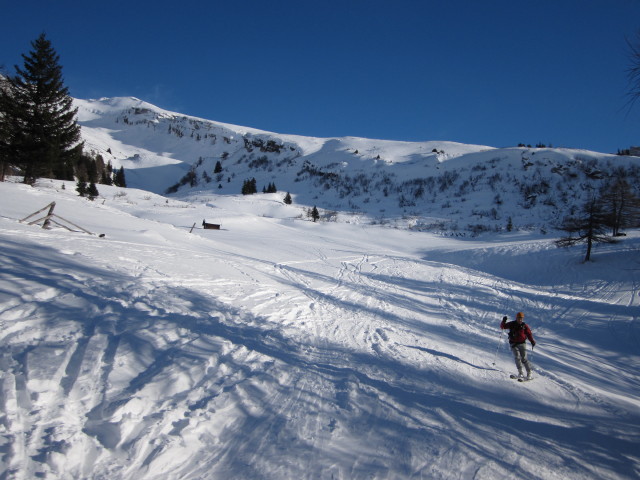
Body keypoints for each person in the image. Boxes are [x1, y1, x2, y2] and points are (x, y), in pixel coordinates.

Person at [501, 312, 536, 380]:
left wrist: (532, 341)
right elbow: (503, 327)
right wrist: (503, 321)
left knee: (524, 359)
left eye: (521, 318)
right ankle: (520, 373)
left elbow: (529, 334)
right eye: (519, 318)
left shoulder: (524, 326)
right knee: (517, 357)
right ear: (516, 318)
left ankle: (529, 373)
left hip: (522, 343)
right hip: (513, 344)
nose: (520, 319)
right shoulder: (512, 324)